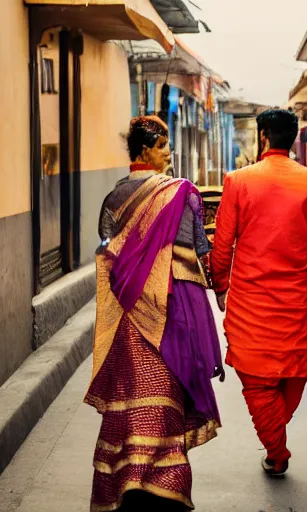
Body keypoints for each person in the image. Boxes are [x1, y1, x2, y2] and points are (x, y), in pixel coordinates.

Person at [85, 115, 224, 512]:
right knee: (167, 386)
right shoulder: (181, 193)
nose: (169, 153)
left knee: (131, 390)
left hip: (130, 311)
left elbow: (107, 246)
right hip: (171, 307)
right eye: (164, 146)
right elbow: (196, 248)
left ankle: (127, 473)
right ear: (146, 150)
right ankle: (161, 477)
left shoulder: (115, 197)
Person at [211, 109, 307, 477]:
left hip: (249, 305)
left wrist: (220, 284)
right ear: (293, 136)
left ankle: (276, 451)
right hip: (298, 306)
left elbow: (223, 244)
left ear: (264, 135)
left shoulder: (238, 181)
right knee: (293, 374)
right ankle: (275, 445)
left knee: (258, 383)